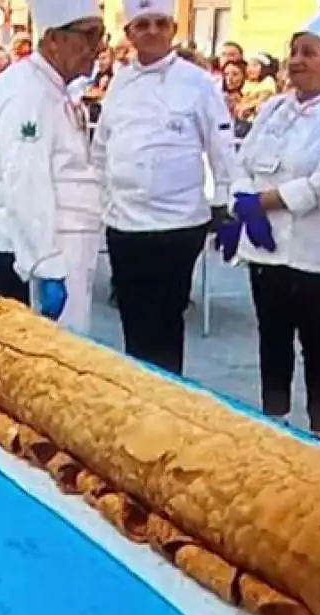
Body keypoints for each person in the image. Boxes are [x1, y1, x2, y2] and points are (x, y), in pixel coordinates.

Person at [217, 0, 320, 441]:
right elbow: (242, 160)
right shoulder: (273, 109)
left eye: (309, 53)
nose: (297, 61)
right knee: (272, 338)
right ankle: (275, 420)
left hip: (313, 249)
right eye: (294, 52)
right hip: (264, 247)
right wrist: (240, 201)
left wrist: (264, 202)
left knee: (317, 343)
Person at [93, 0, 234, 375]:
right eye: (143, 25)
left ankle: (170, 397)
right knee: (132, 318)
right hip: (124, 223)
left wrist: (222, 201)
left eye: (160, 23)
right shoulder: (119, 82)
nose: (152, 31)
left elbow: (220, 144)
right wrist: (100, 198)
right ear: (130, 34)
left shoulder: (198, 82)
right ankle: (138, 393)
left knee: (168, 321)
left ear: (173, 30)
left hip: (178, 223)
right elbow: (102, 145)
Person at [0, 0, 105, 328]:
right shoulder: (27, 94)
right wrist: (46, 265)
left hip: (50, 247)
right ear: (53, 38)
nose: (96, 47)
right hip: (26, 253)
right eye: (87, 35)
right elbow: (26, 183)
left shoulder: (51, 88)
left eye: (100, 36)